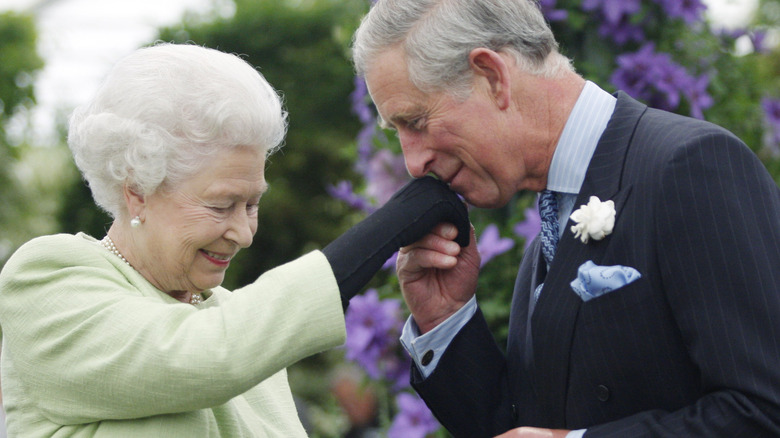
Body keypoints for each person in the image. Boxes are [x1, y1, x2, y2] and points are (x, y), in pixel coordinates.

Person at [351, 0, 780, 437]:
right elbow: (521, 426)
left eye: (417, 121)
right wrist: (445, 318)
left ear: (492, 76)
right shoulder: (551, 227)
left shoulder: (690, 165)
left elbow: (765, 411)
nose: (413, 162)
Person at [0, 43, 469, 437]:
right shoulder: (46, 278)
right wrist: (391, 226)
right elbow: (199, 357)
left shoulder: (237, 324)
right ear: (137, 193)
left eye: (252, 205)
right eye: (221, 205)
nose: (244, 233)